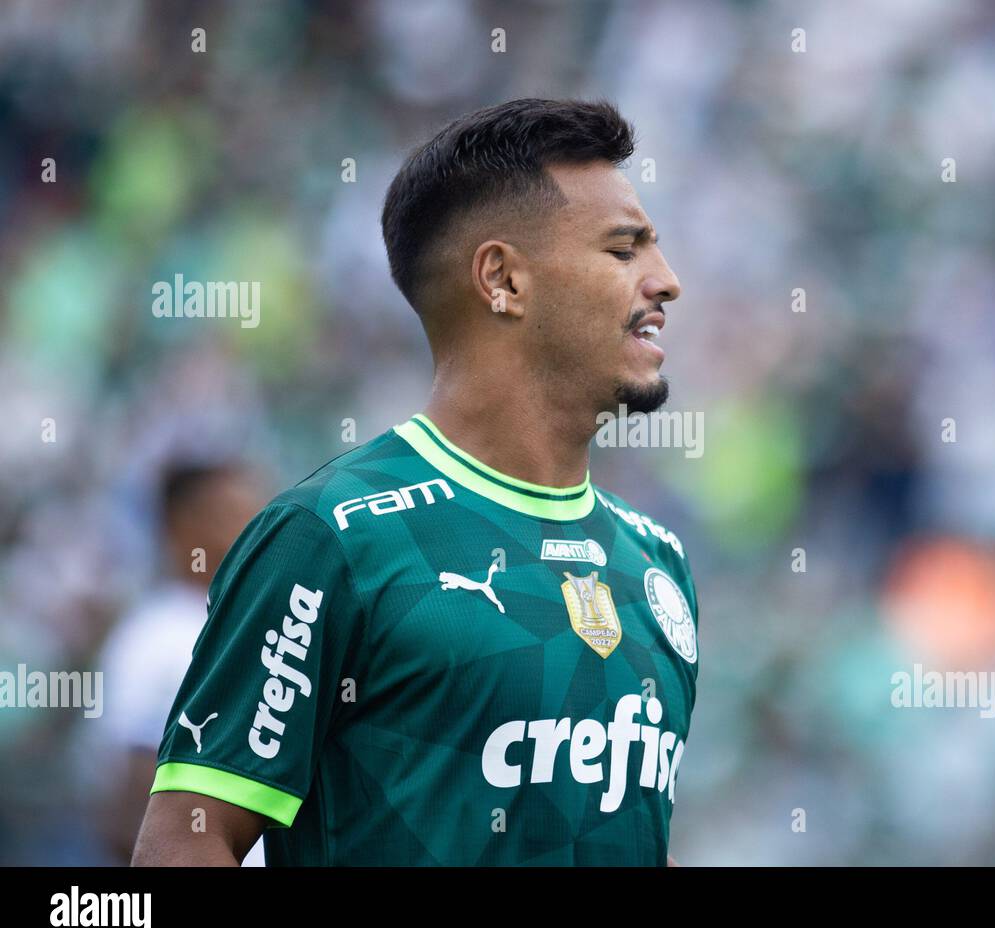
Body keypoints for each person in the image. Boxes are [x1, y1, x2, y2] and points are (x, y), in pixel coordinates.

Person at [132, 98, 698, 866]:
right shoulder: (332, 537)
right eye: (625, 250)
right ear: (502, 279)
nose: (666, 282)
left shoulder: (657, 562)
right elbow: (188, 845)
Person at [98, 460, 267, 865]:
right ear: (180, 528)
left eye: (258, 513)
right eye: (231, 515)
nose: (252, 529)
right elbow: (132, 804)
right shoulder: (154, 639)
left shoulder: (249, 617)